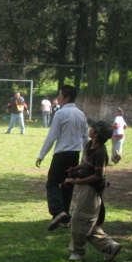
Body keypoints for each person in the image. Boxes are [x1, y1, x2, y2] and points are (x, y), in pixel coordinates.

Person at [64, 120, 121, 262]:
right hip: (84, 188)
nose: (90, 129)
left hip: (91, 191)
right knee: (87, 222)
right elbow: (84, 163)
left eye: (92, 128)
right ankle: (110, 247)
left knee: (79, 220)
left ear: (96, 134)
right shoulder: (90, 145)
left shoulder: (101, 152)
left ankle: (77, 252)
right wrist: (75, 169)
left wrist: (75, 181)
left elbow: (98, 176)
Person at [36, 85, 88, 231]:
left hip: (61, 154)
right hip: (74, 155)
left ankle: (58, 212)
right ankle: (64, 217)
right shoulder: (81, 114)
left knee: (52, 183)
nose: (57, 98)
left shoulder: (60, 114)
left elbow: (51, 137)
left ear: (66, 97)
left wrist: (41, 155)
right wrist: (85, 157)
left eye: (60, 95)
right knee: (67, 184)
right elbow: (85, 138)